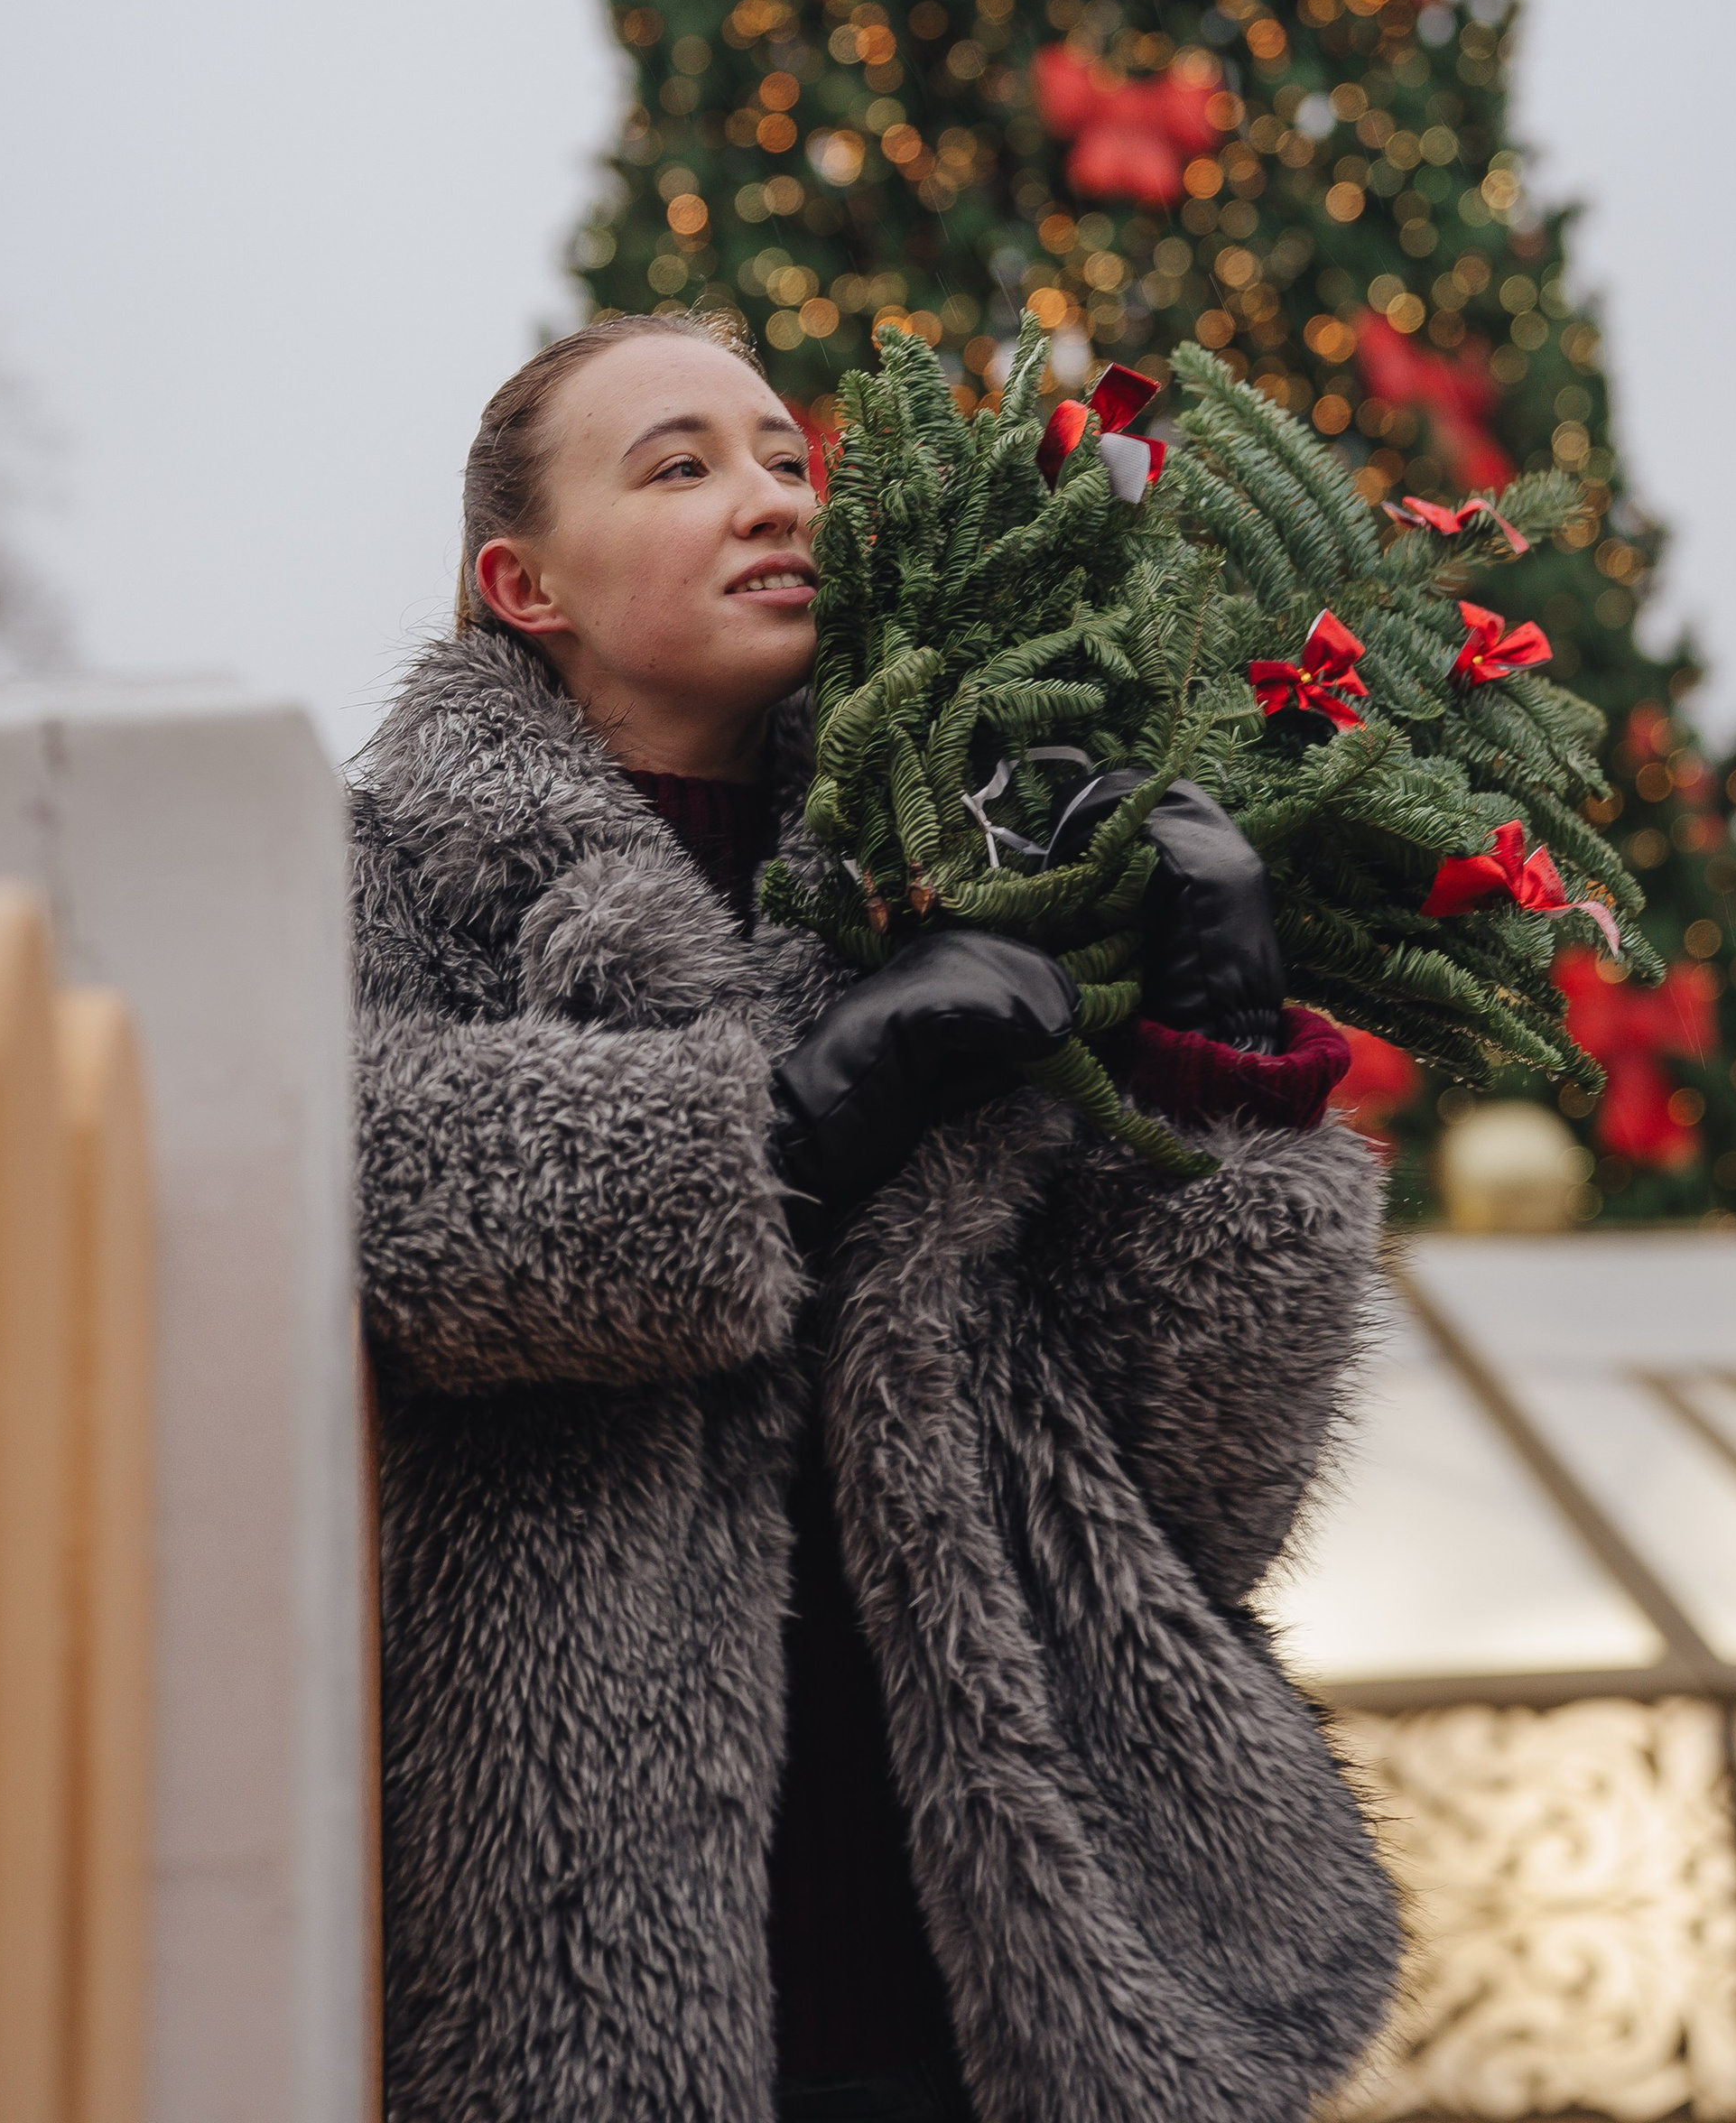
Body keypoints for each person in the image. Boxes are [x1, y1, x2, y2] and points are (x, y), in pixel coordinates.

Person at [353, 311, 1397, 2123]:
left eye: (783, 459)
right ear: (519, 583)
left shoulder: (972, 863)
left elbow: (1194, 1484)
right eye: (677, 466)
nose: (768, 499)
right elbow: (375, 1192)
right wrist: (785, 1120)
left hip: (1036, 1979)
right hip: (593, 1970)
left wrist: (1219, 1074)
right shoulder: (370, 880)